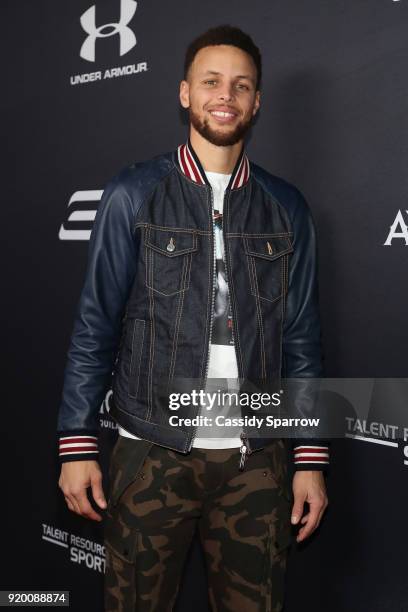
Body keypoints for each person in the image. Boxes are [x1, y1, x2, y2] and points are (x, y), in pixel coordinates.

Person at [57, 24, 329, 612]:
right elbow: (95, 323)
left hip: (255, 460)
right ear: (185, 93)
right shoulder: (134, 192)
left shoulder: (287, 207)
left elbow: (301, 338)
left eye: (241, 85)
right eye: (211, 82)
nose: (224, 95)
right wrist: (76, 443)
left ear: (257, 101)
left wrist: (308, 458)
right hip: (152, 450)